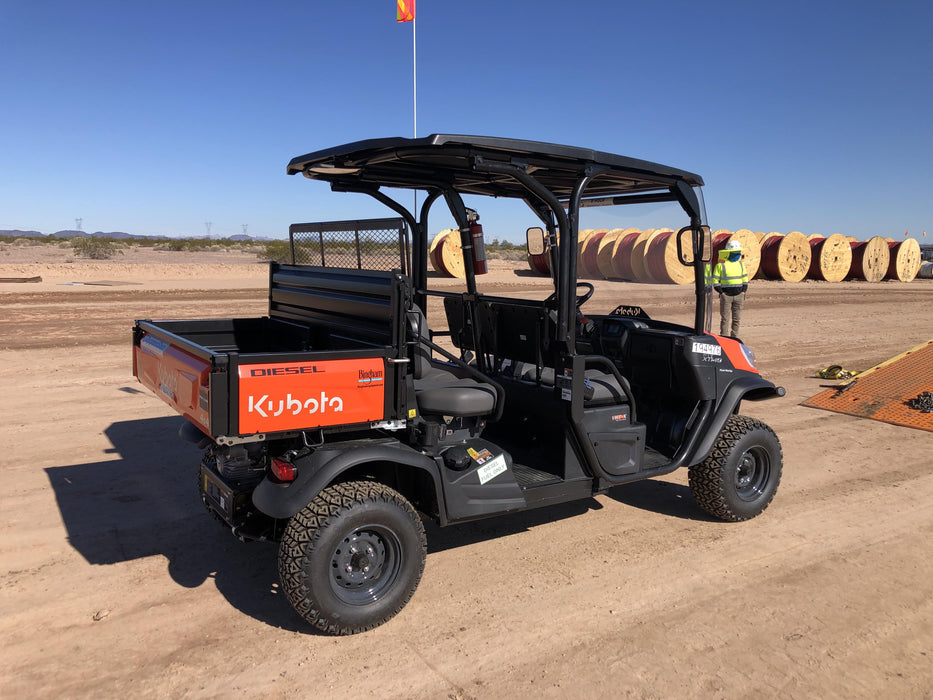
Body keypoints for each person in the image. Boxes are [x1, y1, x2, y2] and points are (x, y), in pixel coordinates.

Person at [711, 239, 749, 338]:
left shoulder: (741, 265)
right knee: (725, 319)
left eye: (738, 252)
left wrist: (743, 292)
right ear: (729, 253)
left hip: (739, 296)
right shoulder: (720, 265)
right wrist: (721, 293)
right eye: (736, 252)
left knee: (737, 319)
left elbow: (745, 280)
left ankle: (734, 338)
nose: (738, 254)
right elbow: (715, 281)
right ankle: (724, 337)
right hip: (726, 296)